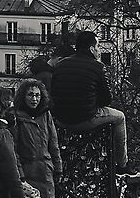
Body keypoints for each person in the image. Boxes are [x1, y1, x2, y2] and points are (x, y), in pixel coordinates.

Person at [48, 32, 127, 175]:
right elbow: (106, 99)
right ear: (91, 49)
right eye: (98, 47)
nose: (99, 50)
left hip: (61, 119)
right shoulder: (98, 67)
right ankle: (122, 164)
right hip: (85, 118)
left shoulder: (60, 65)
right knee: (120, 117)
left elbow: (54, 93)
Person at [8, 77, 62, 198]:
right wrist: (19, 172)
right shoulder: (15, 116)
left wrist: (58, 167)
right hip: (24, 170)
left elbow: (53, 143)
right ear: (23, 96)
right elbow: (12, 147)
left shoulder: (45, 114)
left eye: (38, 95)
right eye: (30, 95)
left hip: (43, 169)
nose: (34, 99)